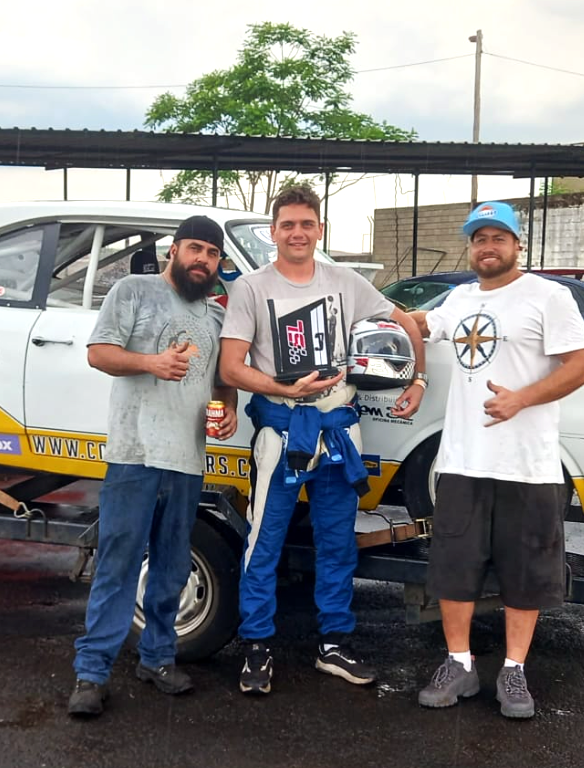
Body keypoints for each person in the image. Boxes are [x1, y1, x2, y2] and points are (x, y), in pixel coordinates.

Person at [218, 184, 427, 695]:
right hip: (283, 430)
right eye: (287, 224)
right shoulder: (251, 288)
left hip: (337, 429)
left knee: (337, 543)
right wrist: (282, 387)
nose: (296, 232)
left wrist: (417, 379)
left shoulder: (345, 282)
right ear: (273, 232)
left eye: (306, 224)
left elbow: (403, 320)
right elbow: (230, 366)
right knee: (263, 541)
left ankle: (334, 644)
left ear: (320, 230)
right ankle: (256, 646)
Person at [410, 201, 584, 719]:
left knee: (526, 571)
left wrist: (521, 398)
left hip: (527, 464)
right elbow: (425, 325)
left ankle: (514, 672)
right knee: (453, 568)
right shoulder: (461, 296)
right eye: (478, 239)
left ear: (518, 245)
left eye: (497, 238)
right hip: (464, 460)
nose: (487, 247)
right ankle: (459, 664)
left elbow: (581, 368)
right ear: (470, 248)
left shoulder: (548, 296)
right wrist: (388, 315)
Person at [68, 215, 238, 718]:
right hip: (134, 455)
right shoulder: (133, 290)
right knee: (118, 565)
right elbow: (99, 354)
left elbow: (220, 380)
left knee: (171, 566)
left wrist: (226, 408)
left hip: (186, 460)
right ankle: (92, 672)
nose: (202, 260)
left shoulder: (214, 316)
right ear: (175, 250)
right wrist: (152, 363)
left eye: (211, 253)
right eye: (194, 249)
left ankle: (158, 658)